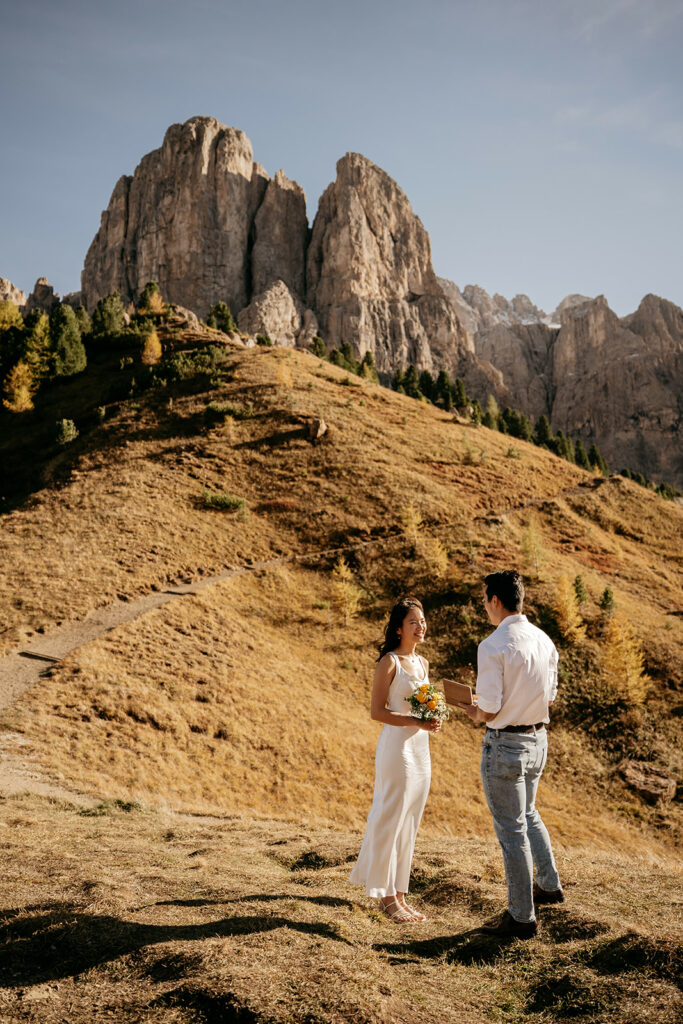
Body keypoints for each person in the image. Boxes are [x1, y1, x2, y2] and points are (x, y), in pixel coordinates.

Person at [455, 570, 564, 939]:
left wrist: (471, 709)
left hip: (505, 746)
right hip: (538, 741)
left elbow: (487, 708)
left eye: (485, 600)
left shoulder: (493, 645)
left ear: (496, 601)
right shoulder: (545, 640)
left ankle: (521, 917)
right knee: (529, 813)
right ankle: (548, 884)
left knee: (511, 831)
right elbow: (549, 698)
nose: (485, 606)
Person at [349, 596, 441, 923]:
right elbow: (377, 712)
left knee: (410, 821)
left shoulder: (424, 663)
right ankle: (385, 897)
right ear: (399, 628)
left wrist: (431, 719)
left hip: (420, 749)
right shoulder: (390, 662)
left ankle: (401, 895)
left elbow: (421, 705)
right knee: (392, 818)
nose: (421, 626)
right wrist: (416, 721)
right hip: (396, 750)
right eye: (414, 622)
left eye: (423, 620)